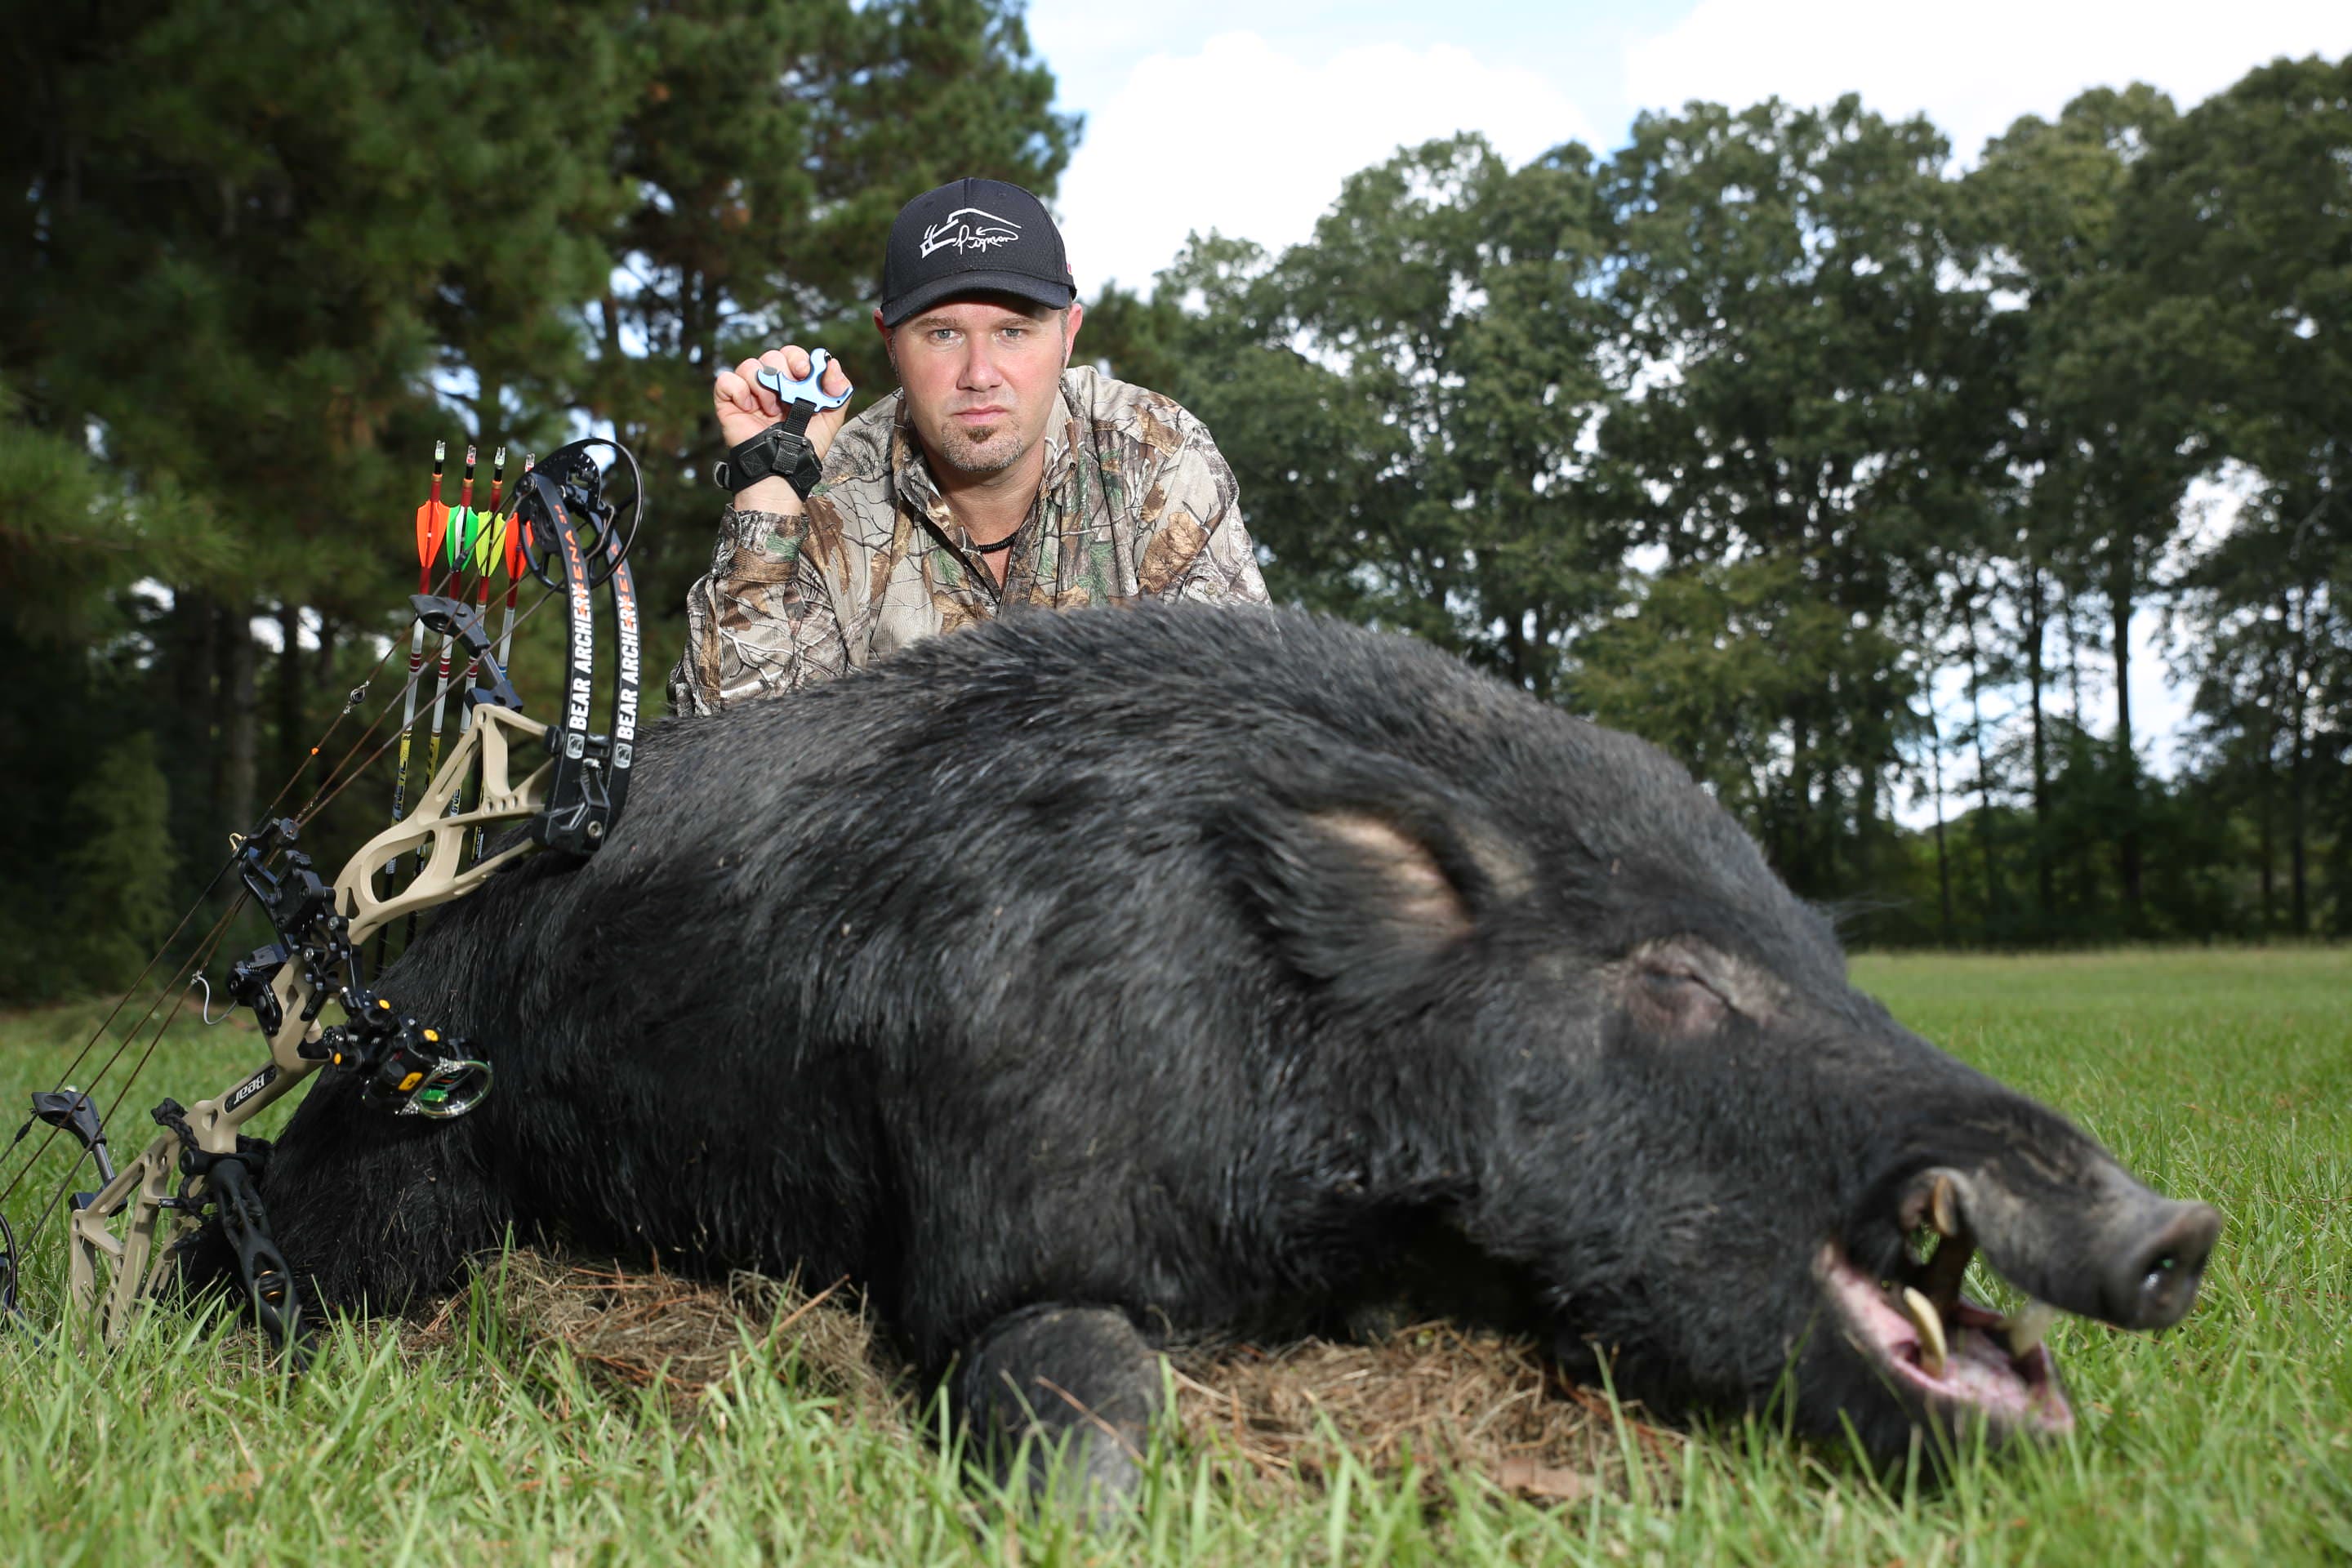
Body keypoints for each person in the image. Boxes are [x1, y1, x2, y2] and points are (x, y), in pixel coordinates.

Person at [669, 177, 1270, 714]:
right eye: (943, 333)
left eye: (1013, 332)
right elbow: (734, 763)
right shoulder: (828, 491)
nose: (979, 374)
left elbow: (1238, 715)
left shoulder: (1154, 452)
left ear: (1068, 336)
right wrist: (770, 493)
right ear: (890, 344)